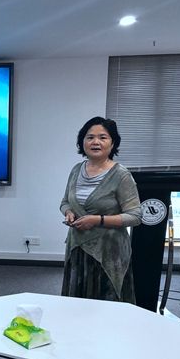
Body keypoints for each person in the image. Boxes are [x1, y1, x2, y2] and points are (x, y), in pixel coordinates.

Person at [60, 116, 141, 303]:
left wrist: (97, 220)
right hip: (77, 248)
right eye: (90, 137)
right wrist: (69, 212)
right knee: (76, 305)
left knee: (106, 307)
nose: (95, 142)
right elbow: (65, 202)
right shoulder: (76, 169)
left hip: (109, 252)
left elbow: (135, 216)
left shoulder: (121, 175)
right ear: (82, 142)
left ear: (113, 143)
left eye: (102, 137)